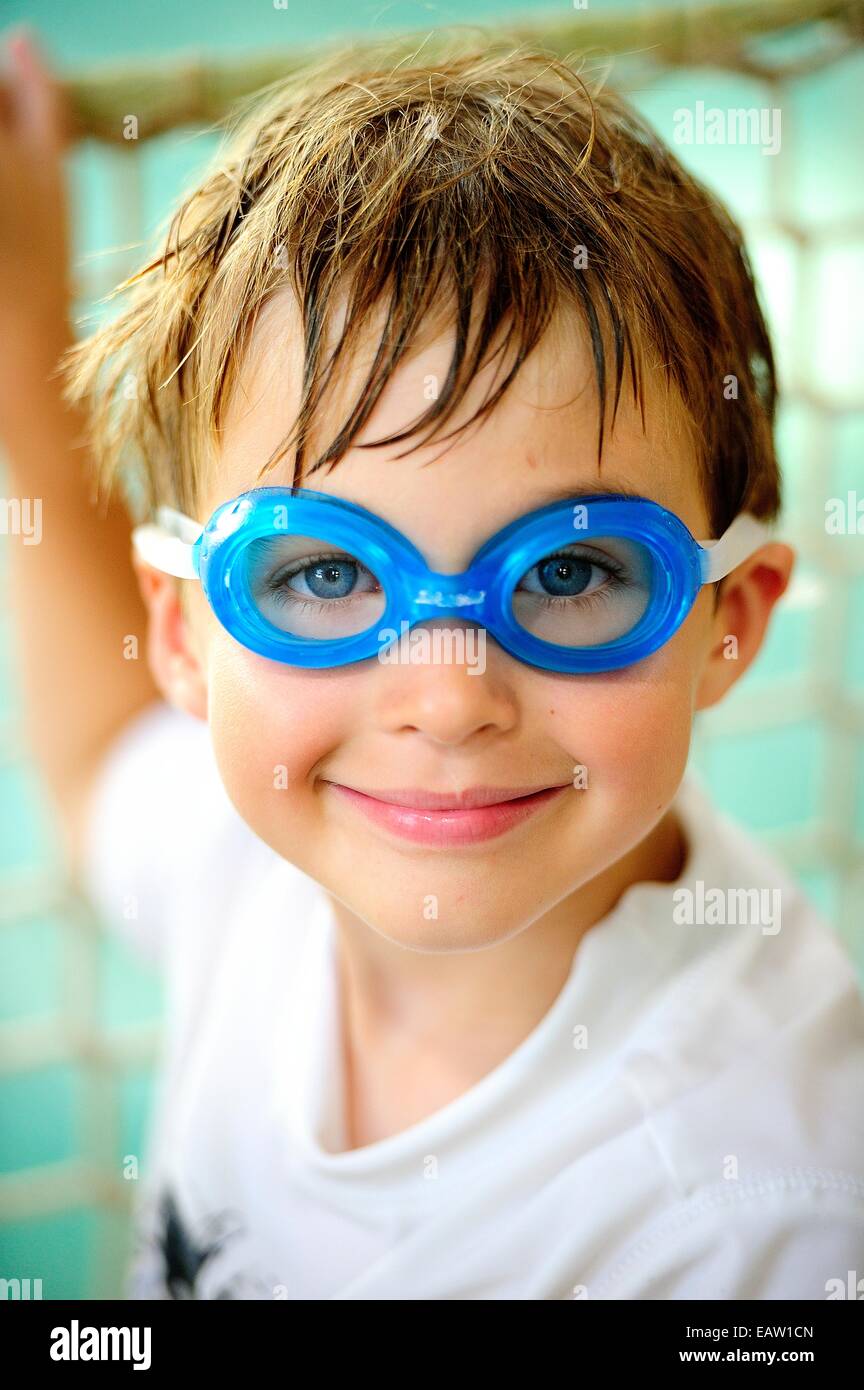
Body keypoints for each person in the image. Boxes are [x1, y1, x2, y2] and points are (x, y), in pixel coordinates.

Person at [2, 25, 863, 1301]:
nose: (451, 699)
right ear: (186, 633)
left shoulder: (755, 1226)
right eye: (328, 574)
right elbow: (99, 767)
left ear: (729, 619)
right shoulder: (263, 865)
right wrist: (21, 344)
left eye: (570, 573)